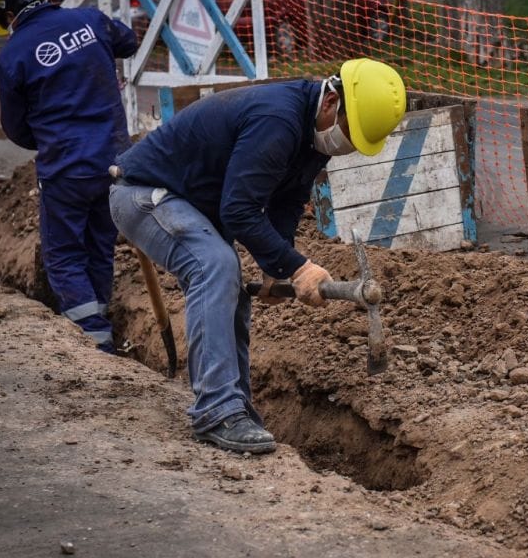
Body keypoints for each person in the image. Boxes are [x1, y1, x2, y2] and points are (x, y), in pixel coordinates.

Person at [108, 58, 406, 454]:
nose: (349, 144)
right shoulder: (277, 120)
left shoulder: (313, 133)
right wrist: (297, 267)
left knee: (231, 285)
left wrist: (274, 270)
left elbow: (287, 200)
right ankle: (216, 411)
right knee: (216, 266)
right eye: (352, 132)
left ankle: (237, 408)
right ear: (332, 101)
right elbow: (239, 210)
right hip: (144, 195)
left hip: (189, 204)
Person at [0, 0, 138, 353]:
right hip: (115, 161)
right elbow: (129, 42)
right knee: (100, 246)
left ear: (5, 13)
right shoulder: (89, 20)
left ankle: (95, 341)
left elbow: (16, 129)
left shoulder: (14, 54)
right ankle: (100, 327)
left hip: (66, 169)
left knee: (65, 254)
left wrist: (53, 137)